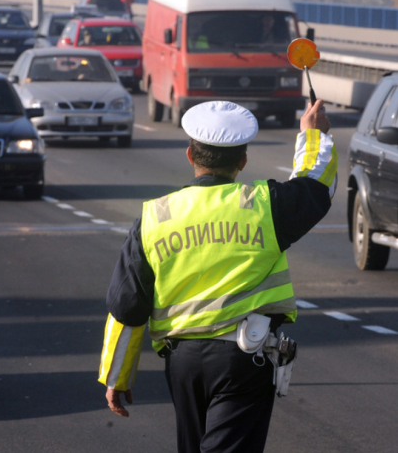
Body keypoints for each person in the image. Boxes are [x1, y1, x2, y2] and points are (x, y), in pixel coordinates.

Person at [98, 99, 338, 453]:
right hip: (244, 359)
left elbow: (128, 305)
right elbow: (316, 185)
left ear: (190, 154)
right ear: (242, 161)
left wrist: (117, 376)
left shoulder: (154, 218)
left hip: (182, 363)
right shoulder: (265, 205)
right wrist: (313, 134)